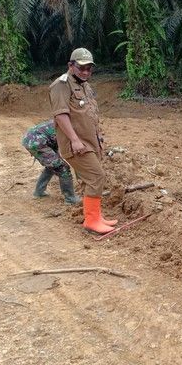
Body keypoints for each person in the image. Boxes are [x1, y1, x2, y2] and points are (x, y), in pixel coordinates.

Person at [49, 47, 117, 234]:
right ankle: (91, 221)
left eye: (89, 68)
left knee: (90, 179)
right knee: (96, 176)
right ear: (70, 65)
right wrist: (74, 140)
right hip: (77, 144)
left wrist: (98, 137)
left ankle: (95, 216)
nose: (86, 72)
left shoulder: (85, 85)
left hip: (90, 142)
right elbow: (61, 115)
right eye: (81, 68)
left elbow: (88, 114)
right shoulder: (61, 85)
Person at [22, 119, 81, 205]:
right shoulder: (70, 128)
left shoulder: (66, 122)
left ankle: (39, 191)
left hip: (34, 139)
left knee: (52, 166)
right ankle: (70, 199)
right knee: (62, 168)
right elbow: (70, 152)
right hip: (37, 142)